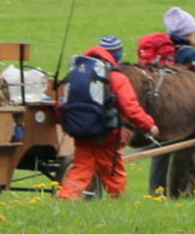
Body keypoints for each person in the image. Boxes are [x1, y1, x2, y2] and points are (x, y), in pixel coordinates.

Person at [58, 36, 159, 200]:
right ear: (116, 53)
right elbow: (130, 107)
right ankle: (116, 204)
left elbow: (61, 102)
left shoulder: (77, 72)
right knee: (112, 170)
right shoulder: (114, 76)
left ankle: (66, 199)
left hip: (79, 130)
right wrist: (149, 125)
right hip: (106, 133)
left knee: (81, 167)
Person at [148, 6, 195, 194]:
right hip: (182, 109)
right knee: (187, 152)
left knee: (159, 153)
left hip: (160, 106)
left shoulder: (161, 50)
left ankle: (156, 192)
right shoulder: (188, 52)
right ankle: (180, 193)